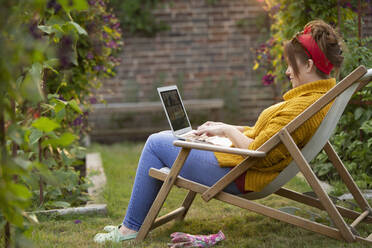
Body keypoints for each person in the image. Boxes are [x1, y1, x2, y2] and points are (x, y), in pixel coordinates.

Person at [94, 19, 344, 243]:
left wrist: (225, 130)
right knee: (176, 138)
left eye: (291, 65)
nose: (288, 71)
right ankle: (134, 224)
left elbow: (258, 151)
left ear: (309, 65)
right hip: (240, 164)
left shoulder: (302, 106)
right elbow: (265, 136)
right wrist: (225, 131)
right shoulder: (316, 99)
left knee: (155, 143)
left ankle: (130, 229)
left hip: (237, 173)